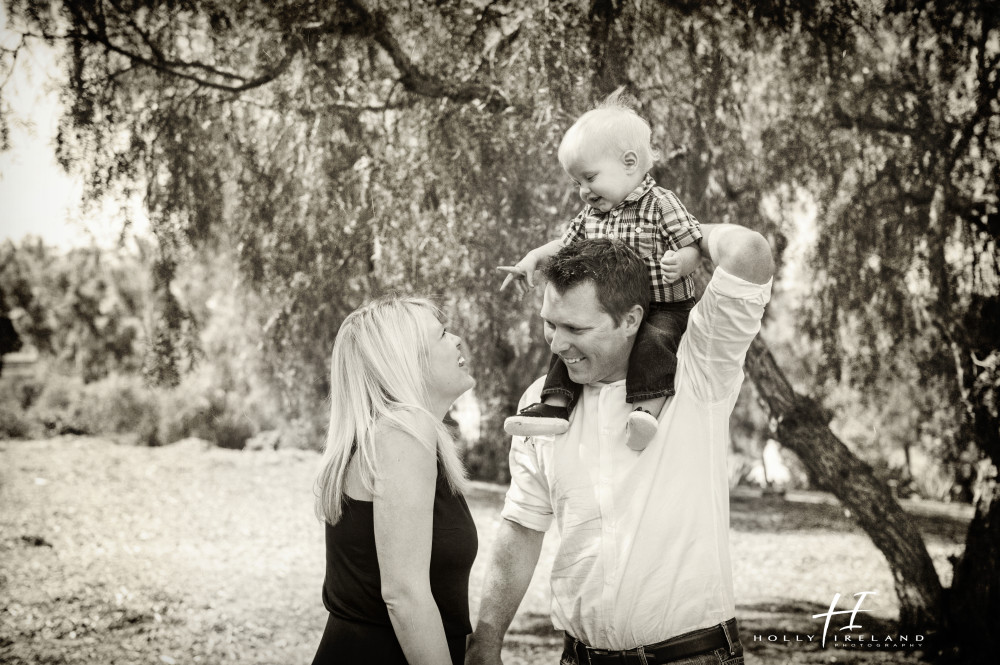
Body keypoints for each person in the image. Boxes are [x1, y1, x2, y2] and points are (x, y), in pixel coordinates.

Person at [467, 226, 773, 665]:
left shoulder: (699, 371)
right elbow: (522, 525)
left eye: (575, 327)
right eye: (549, 324)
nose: (556, 343)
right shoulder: (541, 403)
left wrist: (676, 230)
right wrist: (487, 637)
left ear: (630, 319)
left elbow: (750, 253)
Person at [499, 87, 703, 451]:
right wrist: (532, 257)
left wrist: (681, 262)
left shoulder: (661, 204)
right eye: (577, 183)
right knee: (567, 342)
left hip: (662, 303)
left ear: (629, 162)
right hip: (611, 305)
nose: (583, 191)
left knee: (655, 342)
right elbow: (564, 246)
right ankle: (556, 405)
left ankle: (646, 410)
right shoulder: (592, 215)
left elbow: (692, 243)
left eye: (590, 178)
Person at [312, 295, 479, 665]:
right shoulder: (403, 433)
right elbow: (403, 596)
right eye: (442, 334)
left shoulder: (396, 435)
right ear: (406, 361)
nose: (456, 340)